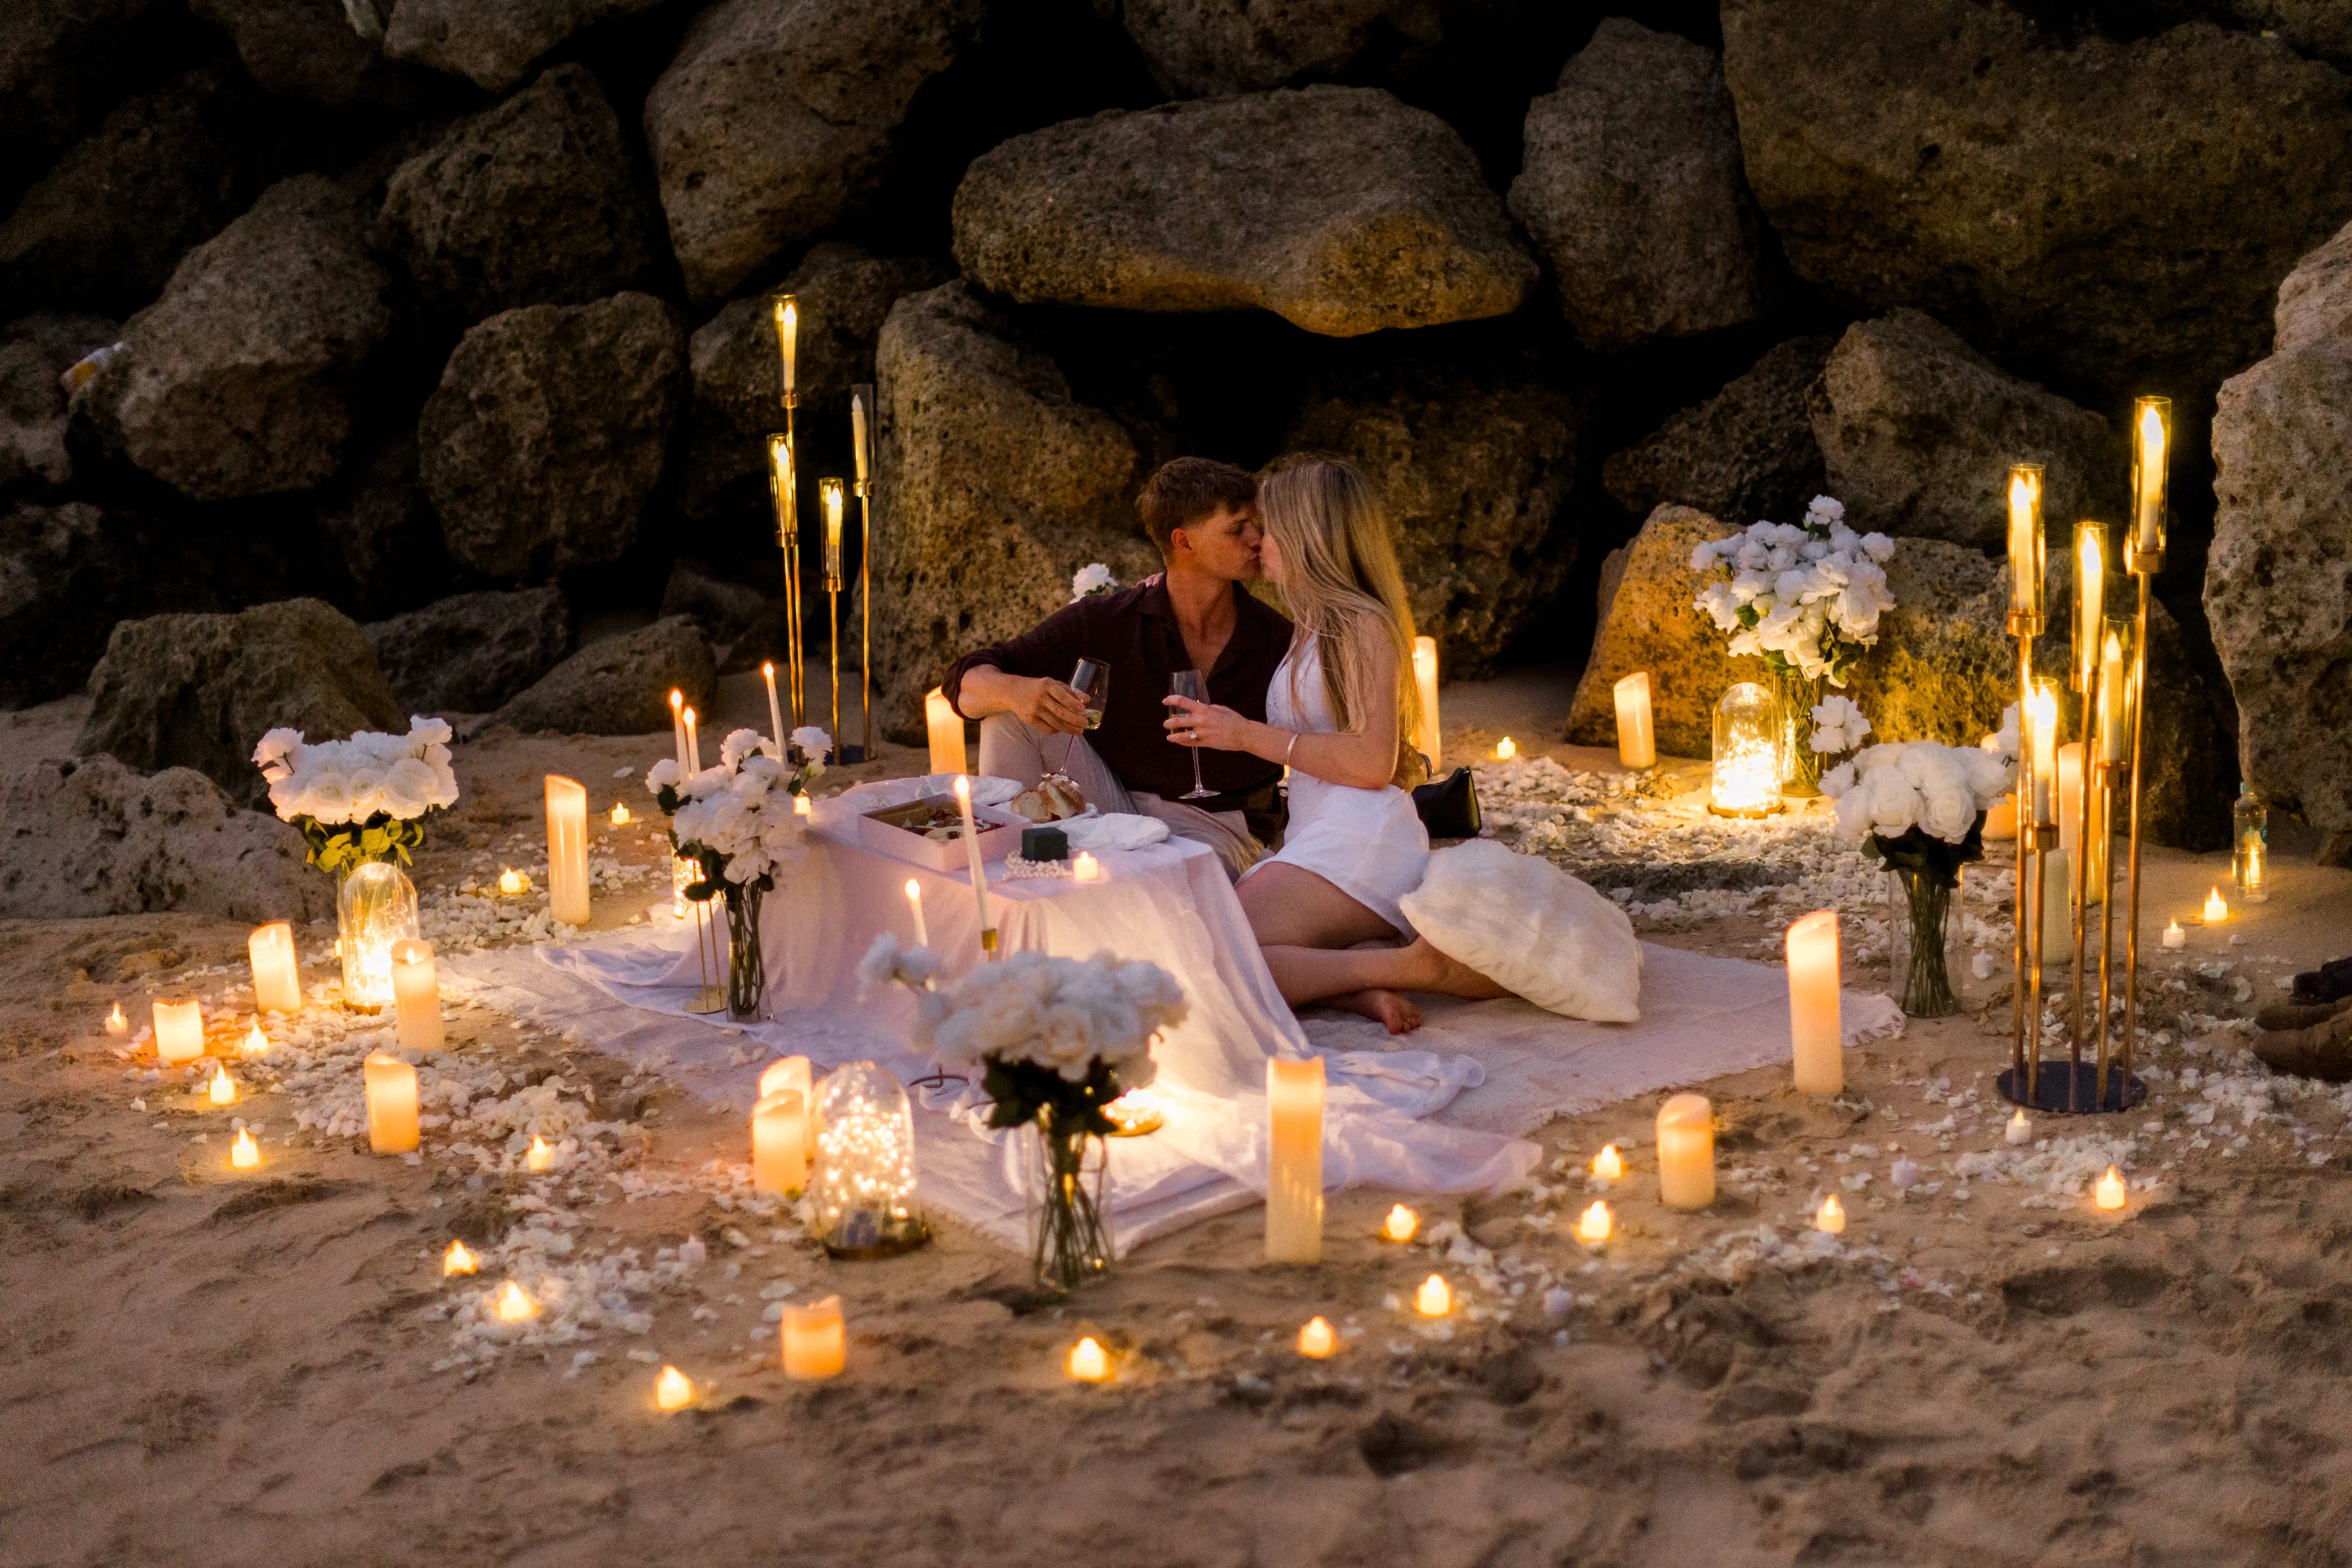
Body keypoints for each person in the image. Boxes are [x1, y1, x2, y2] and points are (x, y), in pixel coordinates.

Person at [1164, 457, 1506, 1034]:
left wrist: (1243, 734)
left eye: (1269, 529)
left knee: (1217, 952)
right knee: (1208, 945)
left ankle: (1412, 966)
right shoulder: (1309, 625)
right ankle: (1358, 985)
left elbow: (1372, 764)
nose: (1258, 542)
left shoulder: (1361, 624)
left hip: (1362, 838)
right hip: (1322, 833)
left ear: (1307, 537)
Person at [942, 456, 1292, 877]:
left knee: (1169, 888)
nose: (1257, 540)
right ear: (1184, 542)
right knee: (1007, 713)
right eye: (1237, 529)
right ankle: (1010, 875)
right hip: (1113, 805)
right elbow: (965, 678)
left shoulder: (1278, 639)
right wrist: (1016, 692)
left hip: (1216, 825)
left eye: (1257, 525)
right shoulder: (1106, 621)